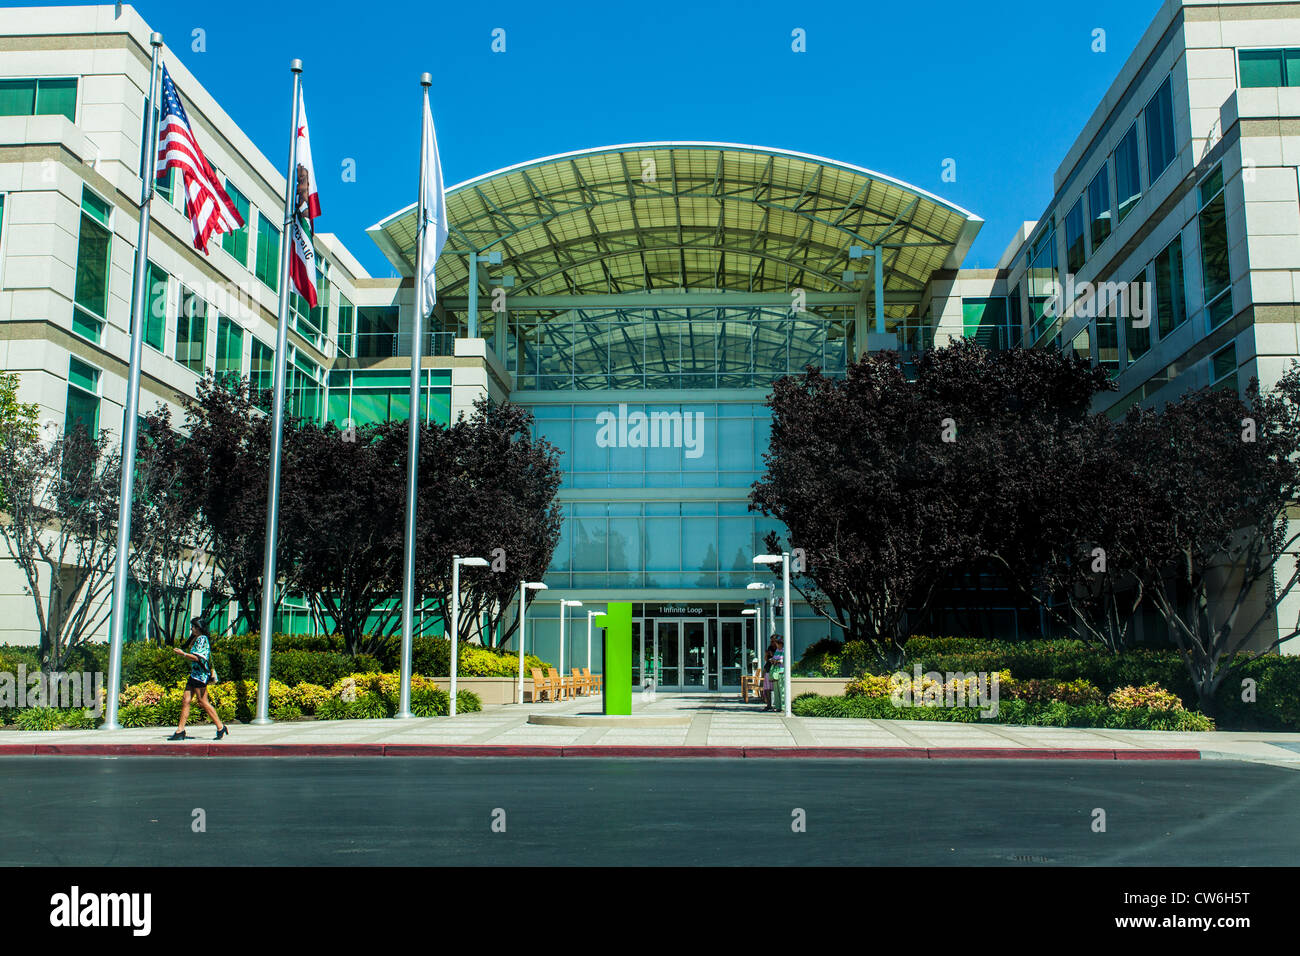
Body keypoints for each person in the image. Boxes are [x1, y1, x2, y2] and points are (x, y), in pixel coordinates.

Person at [168, 617, 228, 741]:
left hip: (200, 676)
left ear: (199, 627)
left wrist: (182, 654)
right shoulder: (197, 639)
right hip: (194, 674)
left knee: (203, 702)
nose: (192, 629)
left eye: (194, 627)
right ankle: (180, 730)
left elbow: (198, 658)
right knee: (186, 700)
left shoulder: (203, 639)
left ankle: (220, 726)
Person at [769, 636, 787, 713]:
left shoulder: (784, 650)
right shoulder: (777, 650)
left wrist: (777, 661)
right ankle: (777, 706)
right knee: (776, 690)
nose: (776, 645)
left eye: (777, 643)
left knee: (781, 689)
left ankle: (783, 706)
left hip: (781, 671)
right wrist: (773, 660)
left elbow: (783, 661)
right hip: (775, 672)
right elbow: (774, 658)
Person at [761, 635, 778, 711]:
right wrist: (766, 654)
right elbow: (766, 659)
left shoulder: (779, 649)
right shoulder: (770, 648)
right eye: (771, 641)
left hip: (775, 670)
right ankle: (768, 704)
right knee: (767, 688)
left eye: (773, 641)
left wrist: (772, 655)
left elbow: (777, 658)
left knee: (776, 688)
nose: (771, 643)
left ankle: (777, 704)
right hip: (768, 669)